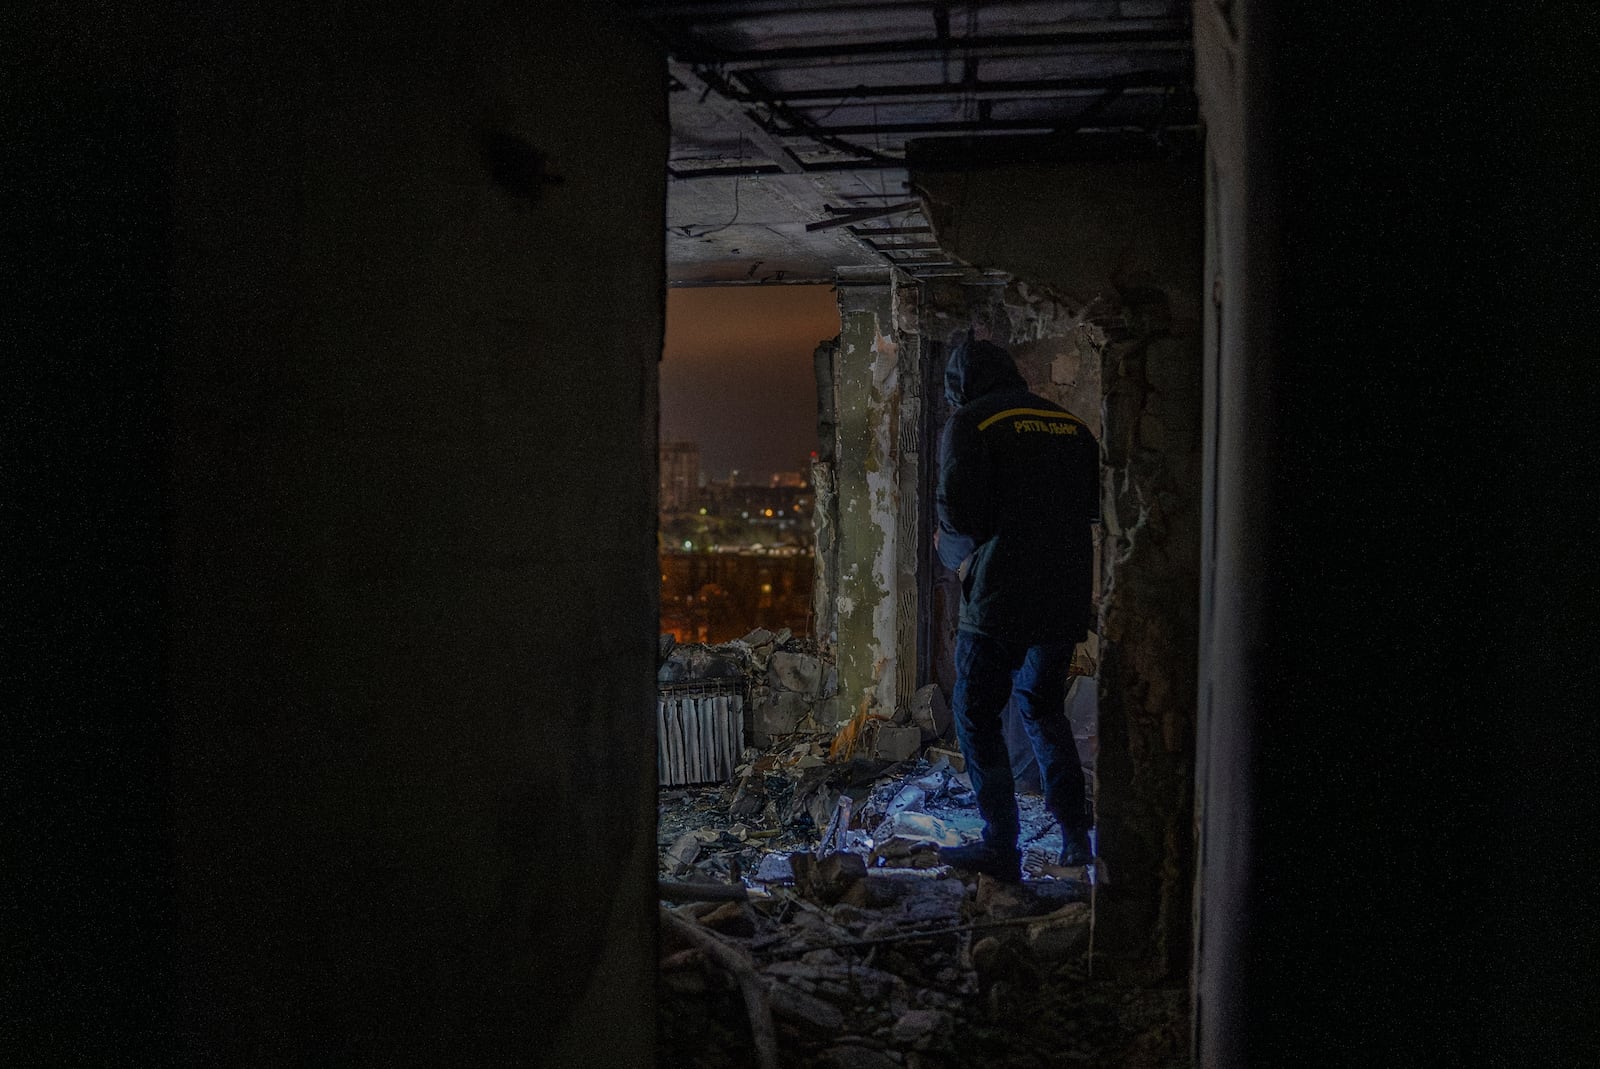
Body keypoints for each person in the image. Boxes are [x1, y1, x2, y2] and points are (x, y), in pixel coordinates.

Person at [934, 337, 1099, 881]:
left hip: (1001, 597)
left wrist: (953, 559)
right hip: (1065, 594)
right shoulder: (1070, 426)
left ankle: (1000, 846)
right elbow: (1097, 510)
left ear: (961, 385)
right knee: (1042, 705)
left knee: (976, 713)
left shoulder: (971, 424)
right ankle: (1076, 834)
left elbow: (957, 522)